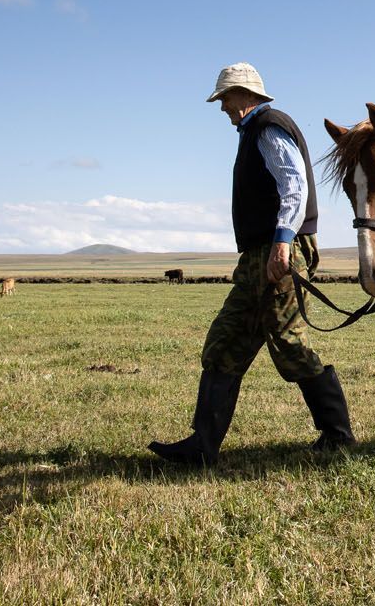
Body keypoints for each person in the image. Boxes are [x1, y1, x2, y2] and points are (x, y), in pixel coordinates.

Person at [149, 62, 354, 466]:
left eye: (225, 98)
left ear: (245, 95)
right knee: (225, 342)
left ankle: (338, 436)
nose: (223, 107)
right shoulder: (254, 131)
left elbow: (293, 185)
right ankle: (201, 446)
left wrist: (282, 243)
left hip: (277, 252)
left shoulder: (267, 127)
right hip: (259, 256)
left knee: (291, 346)